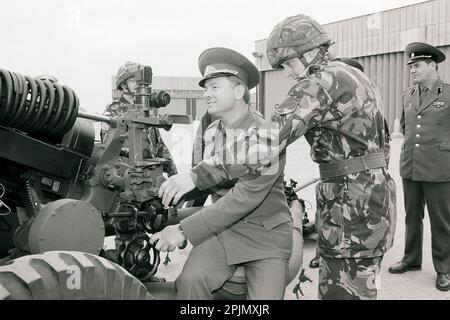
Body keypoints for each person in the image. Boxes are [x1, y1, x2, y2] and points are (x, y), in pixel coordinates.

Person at [159, 14, 396, 300]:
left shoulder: (322, 81)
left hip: (351, 209)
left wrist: (196, 175)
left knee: (343, 293)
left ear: (309, 52)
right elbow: (382, 144)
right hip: (370, 201)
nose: (289, 73)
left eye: (288, 63)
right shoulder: (355, 75)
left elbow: (267, 140)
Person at [150, 47, 293, 300]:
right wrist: (160, 201)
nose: (206, 94)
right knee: (190, 282)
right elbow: (201, 186)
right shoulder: (211, 133)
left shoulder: (268, 137)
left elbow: (243, 198)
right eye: (206, 88)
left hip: (264, 233)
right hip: (224, 230)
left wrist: (183, 230)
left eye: (214, 87)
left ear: (239, 92)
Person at [308, 57, 392, 269]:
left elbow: (385, 146)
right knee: (327, 219)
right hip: (338, 182)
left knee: (356, 245)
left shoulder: (367, 111)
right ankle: (322, 250)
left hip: (357, 185)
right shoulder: (332, 111)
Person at [388, 42, 450, 292]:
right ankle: (412, 259)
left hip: (439, 167)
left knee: (441, 221)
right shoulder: (407, 95)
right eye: (410, 66)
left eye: (417, 65)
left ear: (433, 65)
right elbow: (405, 128)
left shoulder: (448, 93)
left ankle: (444, 268)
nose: (412, 70)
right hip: (411, 166)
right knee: (412, 217)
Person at [103, 61, 177, 176]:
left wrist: (173, 172)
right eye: (133, 81)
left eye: (139, 81)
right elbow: (109, 150)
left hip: (151, 175)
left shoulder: (147, 112)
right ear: (123, 85)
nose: (138, 85)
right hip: (126, 176)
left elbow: (159, 146)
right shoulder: (113, 111)